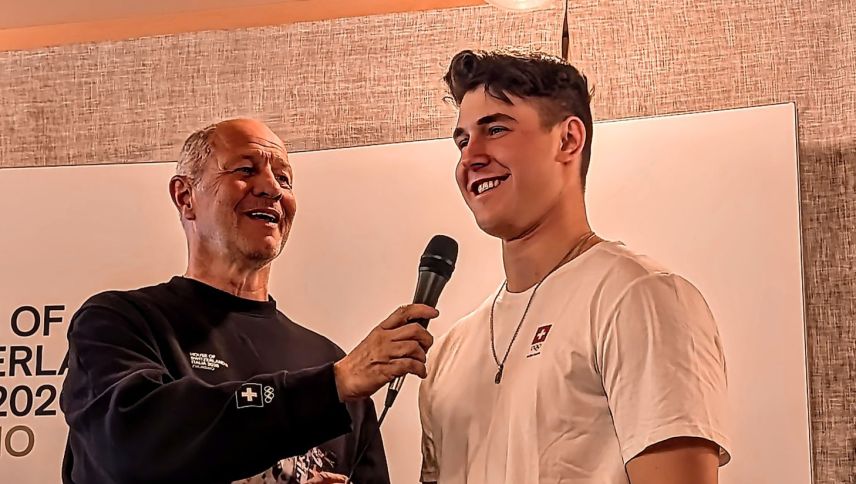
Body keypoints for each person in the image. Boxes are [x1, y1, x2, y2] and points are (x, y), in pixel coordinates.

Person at [60, 118, 437, 484]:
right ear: (185, 196)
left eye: (284, 178)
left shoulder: (328, 359)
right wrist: (328, 386)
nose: (272, 188)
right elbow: (132, 447)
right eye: (246, 169)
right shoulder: (120, 323)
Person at [418, 50, 731, 484]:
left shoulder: (640, 298)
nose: (471, 156)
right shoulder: (449, 351)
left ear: (567, 140)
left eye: (496, 129)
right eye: (462, 141)